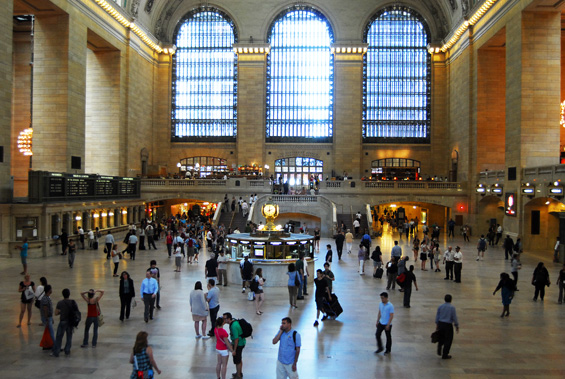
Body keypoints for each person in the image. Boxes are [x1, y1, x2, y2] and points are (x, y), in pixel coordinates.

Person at [51, 288, 77, 357]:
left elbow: (56, 313)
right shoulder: (72, 302)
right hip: (70, 321)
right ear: (69, 294)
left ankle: (56, 351)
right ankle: (67, 350)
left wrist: (61, 311)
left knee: (59, 337)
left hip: (63, 321)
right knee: (69, 336)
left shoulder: (60, 303)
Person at [435, 294, 459, 359]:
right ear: (451, 300)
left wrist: (437, 324)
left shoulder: (440, 306)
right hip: (448, 325)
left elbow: (437, 316)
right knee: (448, 339)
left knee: (441, 337)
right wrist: (456, 325)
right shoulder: (452, 308)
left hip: (441, 323)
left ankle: (440, 345)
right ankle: (445, 354)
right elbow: (454, 317)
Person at [223, 312, 246, 379]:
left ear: (229, 319)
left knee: (237, 360)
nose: (224, 320)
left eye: (225, 319)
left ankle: (238, 376)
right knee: (239, 359)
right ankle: (239, 372)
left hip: (239, 344)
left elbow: (236, 339)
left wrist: (234, 350)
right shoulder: (234, 321)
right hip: (242, 342)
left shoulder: (233, 326)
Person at [40, 285, 55, 349]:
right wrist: (47, 318)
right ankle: (55, 345)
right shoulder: (45, 298)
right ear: (49, 290)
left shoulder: (47, 297)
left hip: (49, 317)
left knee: (48, 331)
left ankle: (47, 344)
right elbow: (45, 308)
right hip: (47, 318)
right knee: (51, 332)